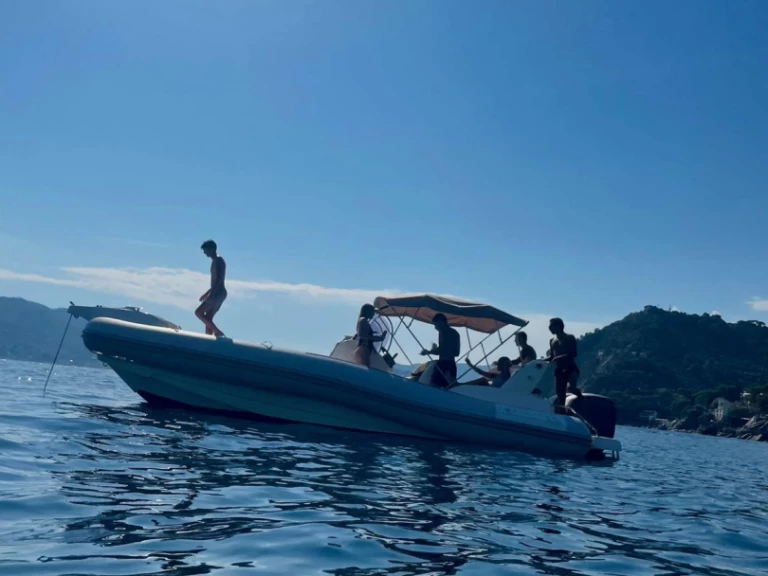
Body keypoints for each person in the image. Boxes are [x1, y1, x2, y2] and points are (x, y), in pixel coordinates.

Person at [545, 317, 583, 408]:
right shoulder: (552, 341)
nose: (549, 328)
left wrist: (560, 357)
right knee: (560, 394)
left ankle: (583, 401)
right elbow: (551, 357)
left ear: (558, 326)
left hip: (570, 367)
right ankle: (562, 413)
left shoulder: (570, 338)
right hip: (559, 369)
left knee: (572, 389)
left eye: (551, 326)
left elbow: (574, 353)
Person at [195, 239, 227, 337]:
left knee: (198, 312)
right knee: (208, 318)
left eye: (205, 250)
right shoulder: (214, 261)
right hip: (217, 292)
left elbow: (219, 280)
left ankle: (218, 332)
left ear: (212, 249)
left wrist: (212, 294)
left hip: (218, 293)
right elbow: (215, 282)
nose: (204, 252)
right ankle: (209, 337)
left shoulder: (218, 260)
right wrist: (206, 293)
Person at [420, 313, 460, 388]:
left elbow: (442, 350)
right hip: (451, 365)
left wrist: (429, 351)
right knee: (449, 388)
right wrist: (436, 350)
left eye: (435, 325)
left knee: (433, 386)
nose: (435, 328)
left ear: (440, 322)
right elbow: (456, 352)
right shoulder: (455, 333)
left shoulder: (443, 332)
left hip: (443, 364)